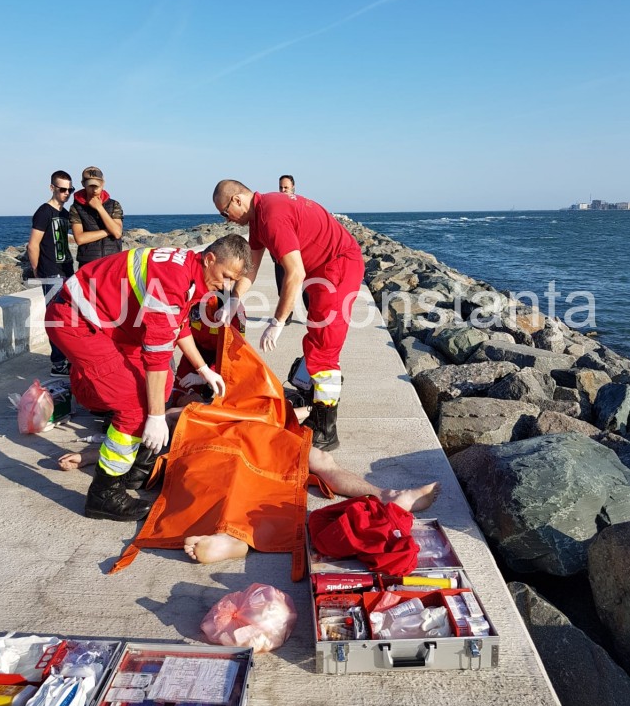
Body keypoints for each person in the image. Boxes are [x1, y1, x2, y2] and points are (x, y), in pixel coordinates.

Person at [46, 234, 252, 521]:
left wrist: (203, 368)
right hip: (77, 319)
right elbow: (156, 354)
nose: (226, 286)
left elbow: (178, 327)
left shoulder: (195, 274)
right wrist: (155, 416)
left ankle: (136, 465)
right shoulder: (174, 280)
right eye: (226, 277)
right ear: (210, 259)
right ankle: (104, 493)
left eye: (233, 281)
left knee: (163, 384)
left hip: (111, 320)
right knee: (133, 405)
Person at [212, 179, 365, 452]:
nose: (227, 220)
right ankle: (314, 399)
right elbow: (251, 267)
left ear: (237, 200)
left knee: (324, 347)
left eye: (224, 213)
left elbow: (295, 273)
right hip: (321, 266)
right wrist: (234, 300)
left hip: (338, 265)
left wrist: (278, 321)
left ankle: (326, 431)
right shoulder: (259, 217)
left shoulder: (272, 216)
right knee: (316, 342)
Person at [183, 445, 441, 564]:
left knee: (227, 473)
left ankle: (237, 537)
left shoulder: (196, 394)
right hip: (243, 434)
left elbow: (176, 416)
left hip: (235, 431)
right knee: (230, 472)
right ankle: (236, 535)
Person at [27, 170, 76, 376]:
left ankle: (67, 358)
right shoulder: (44, 212)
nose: (66, 193)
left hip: (67, 271)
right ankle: (58, 363)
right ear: (52, 188)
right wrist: (38, 270)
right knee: (55, 318)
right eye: (62, 189)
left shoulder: (65, 214)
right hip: (51, 273)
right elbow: (33, 245)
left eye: (70, 190)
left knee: (68, 317)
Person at [69, 167, 124, 267]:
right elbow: (80, 239)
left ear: (103, 183)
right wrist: (108, 231)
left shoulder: (114, 205)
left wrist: (99, 208)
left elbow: (117, 233)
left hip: (113, 263)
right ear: (83, 184)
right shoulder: (76, 208)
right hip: (88, 265)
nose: (94, 189)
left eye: (97, 185)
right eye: (91, 185)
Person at [274, 175, 309, 325]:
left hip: (300, 252)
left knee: (307, 287)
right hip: (280, 253)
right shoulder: (275, 204)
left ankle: (312, 314)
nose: (283, 190)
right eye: (281, 187)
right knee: (282, 284)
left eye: (286, 188)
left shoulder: (299, 204)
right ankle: (286, 314)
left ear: (293, 188)